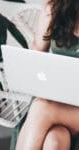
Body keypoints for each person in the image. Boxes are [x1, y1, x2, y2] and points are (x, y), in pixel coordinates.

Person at [15, 0, 79, 149]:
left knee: (41, 108)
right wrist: (48, 20)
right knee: (55, 140)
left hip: (55, 109)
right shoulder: (55, 8)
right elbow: (36, 55)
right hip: (59, 101)